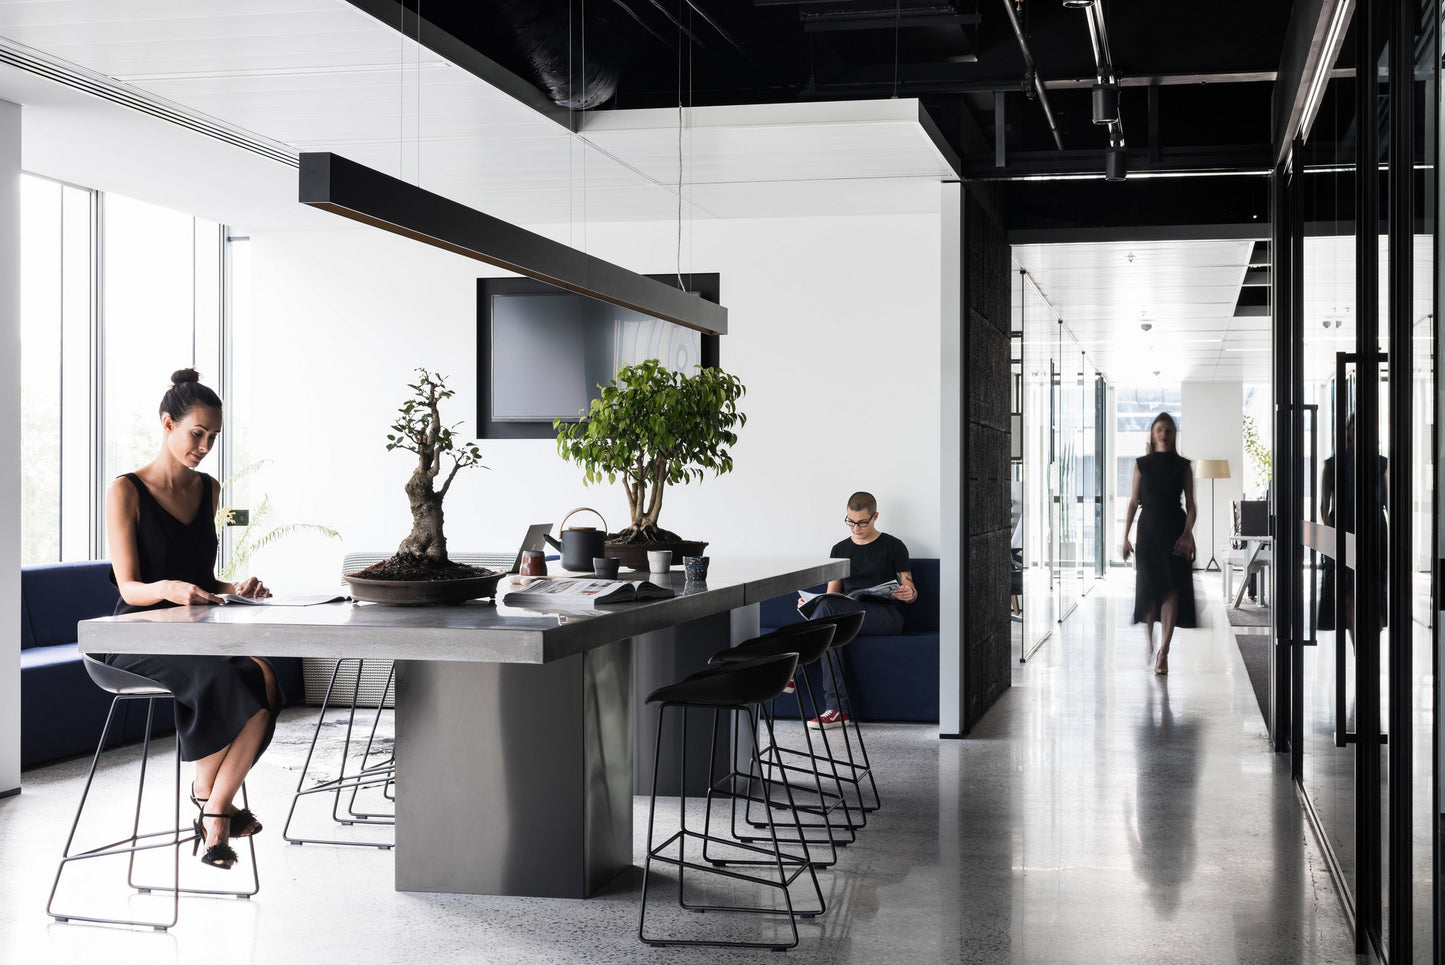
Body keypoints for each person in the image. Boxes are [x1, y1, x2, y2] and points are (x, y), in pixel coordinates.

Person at [104, 368, 278, 870]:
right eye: (195, 434)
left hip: (194, 630)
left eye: (212, 437)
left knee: (266, 680)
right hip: (134, 633)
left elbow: (204, 575)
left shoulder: (209, 489)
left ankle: (210, 802)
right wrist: (169, 590)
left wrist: (233, 586)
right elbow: (131, 586)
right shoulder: (127, 491)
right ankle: (217, 819)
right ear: (167, 424)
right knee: (228, 678)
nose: (204, 446)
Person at [797, 491, 918, 729]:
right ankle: (836, 711)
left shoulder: (893, 546)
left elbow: (910, 588)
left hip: (887, 618)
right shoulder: (840, 549)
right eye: (850, 522)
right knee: (828, 631)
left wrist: (909, 593)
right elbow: (832, 595)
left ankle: (794, 665)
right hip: (849, 617)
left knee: (826, 617)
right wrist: (814, 604)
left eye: (862, 522)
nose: (855, 528)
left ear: (875, 517)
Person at [1121, 412, 1198, 675]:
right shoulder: (1141, 464)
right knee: (1151, 593)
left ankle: (1163, 652)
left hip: (1174, 530)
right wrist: (1125, 536)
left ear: (1173, 434)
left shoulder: (1183, 465)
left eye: (1168, 429)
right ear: (1152, 435)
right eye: (1159, 429)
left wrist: (1188, 534)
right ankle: (1150, 641)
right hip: (1149, 531)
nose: (1163, 433)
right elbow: (1133, 502)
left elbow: (1191, 505)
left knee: (1172, 592)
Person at [1319, 412, 1388, 647]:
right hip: (1345, 529)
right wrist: (1331, 539)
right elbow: (1324, 507)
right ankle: (1360, 648)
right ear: (1348, 431)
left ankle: (1368, 646)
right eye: (1355, 428)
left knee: (1372, 587)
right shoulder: (1333, 464)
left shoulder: (1380, 463)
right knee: (1349, 591)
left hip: (1373, 531)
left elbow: (1388, 501)